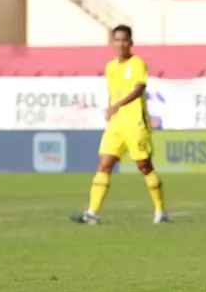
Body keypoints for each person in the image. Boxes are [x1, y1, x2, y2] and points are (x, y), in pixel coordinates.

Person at [70, 25, 168, 225]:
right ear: (112, 43)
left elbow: (139, 89)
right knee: (104, 165)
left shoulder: (137, 63)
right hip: (115, 126)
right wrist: (111, 110)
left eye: (125, 40)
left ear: (131, 42)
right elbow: (113, 92)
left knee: (144, 166)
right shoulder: (111, 67)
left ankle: (160, 211)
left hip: (135, 124)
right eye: (117, 40)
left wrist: (117, 105)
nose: (121, 43)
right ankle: (92, 213)